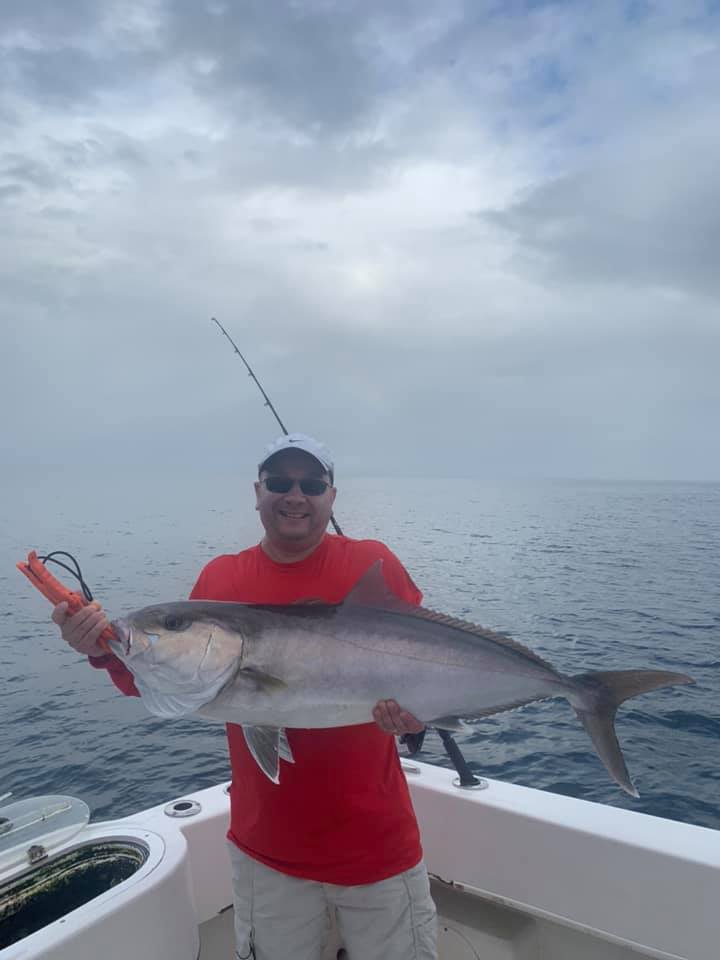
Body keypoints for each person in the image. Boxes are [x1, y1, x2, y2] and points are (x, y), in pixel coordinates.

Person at [52, 432, 438, 960]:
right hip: (267, 855)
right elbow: (174, 679)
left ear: (331, 495)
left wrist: (415, 722)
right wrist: (104, 651)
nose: (295, 495)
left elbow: (428, 676)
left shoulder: (373, 564)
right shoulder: (223, 578)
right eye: (280, 482)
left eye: (311, 483)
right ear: (257, 492)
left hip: (378, 848)